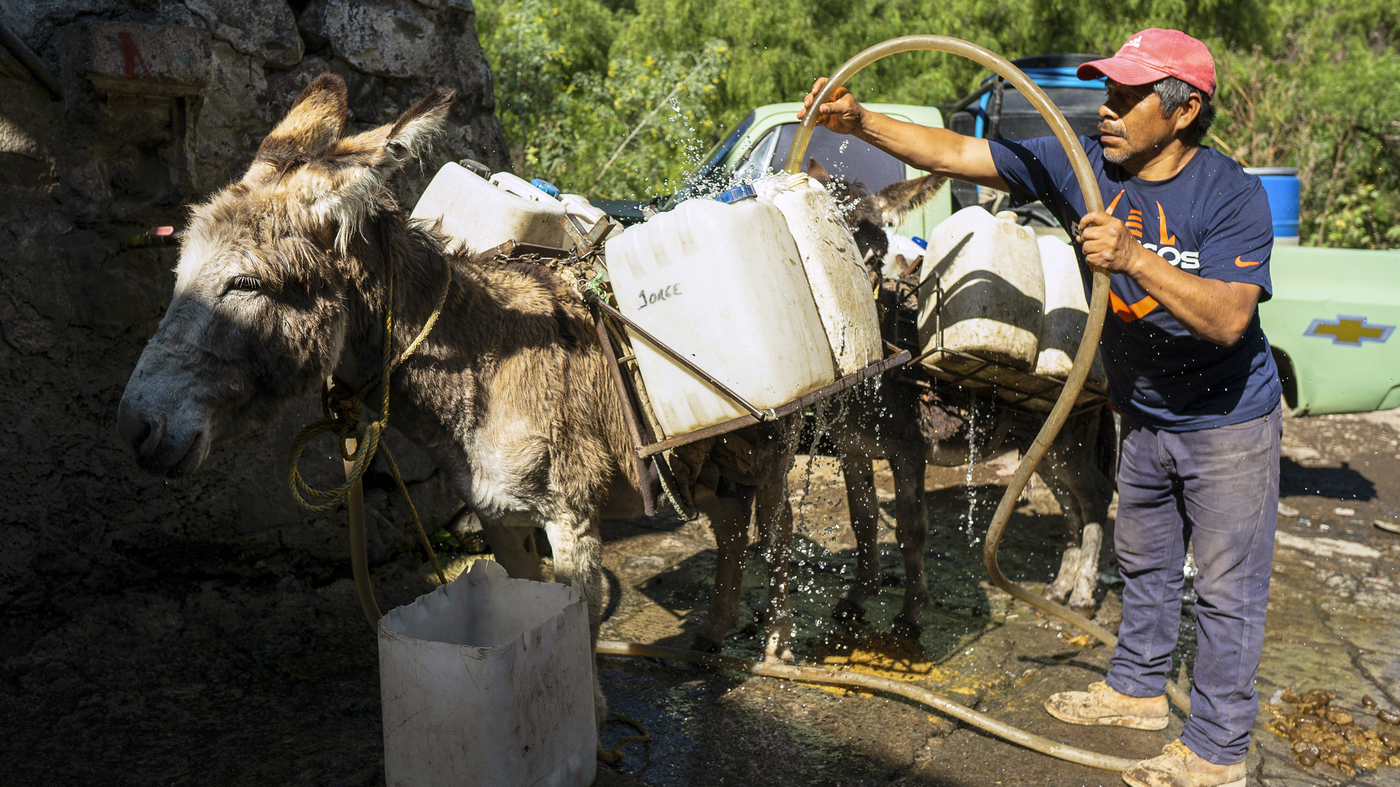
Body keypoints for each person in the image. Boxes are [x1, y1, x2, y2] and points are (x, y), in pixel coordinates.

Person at [800, 28, 1280, 787]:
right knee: (1147, 564)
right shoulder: (1082, 161)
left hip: (1226, 420)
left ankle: (1218, 752)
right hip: (1145, 408)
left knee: (1225, 588)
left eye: (1127, 95)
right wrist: (860, 124)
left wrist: (1131, 257)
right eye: (1106, 91)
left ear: (1184, 111)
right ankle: (1136, 693)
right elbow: (955, 154)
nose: (1106, 108)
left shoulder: (1229, 194)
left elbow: (1226, 318)